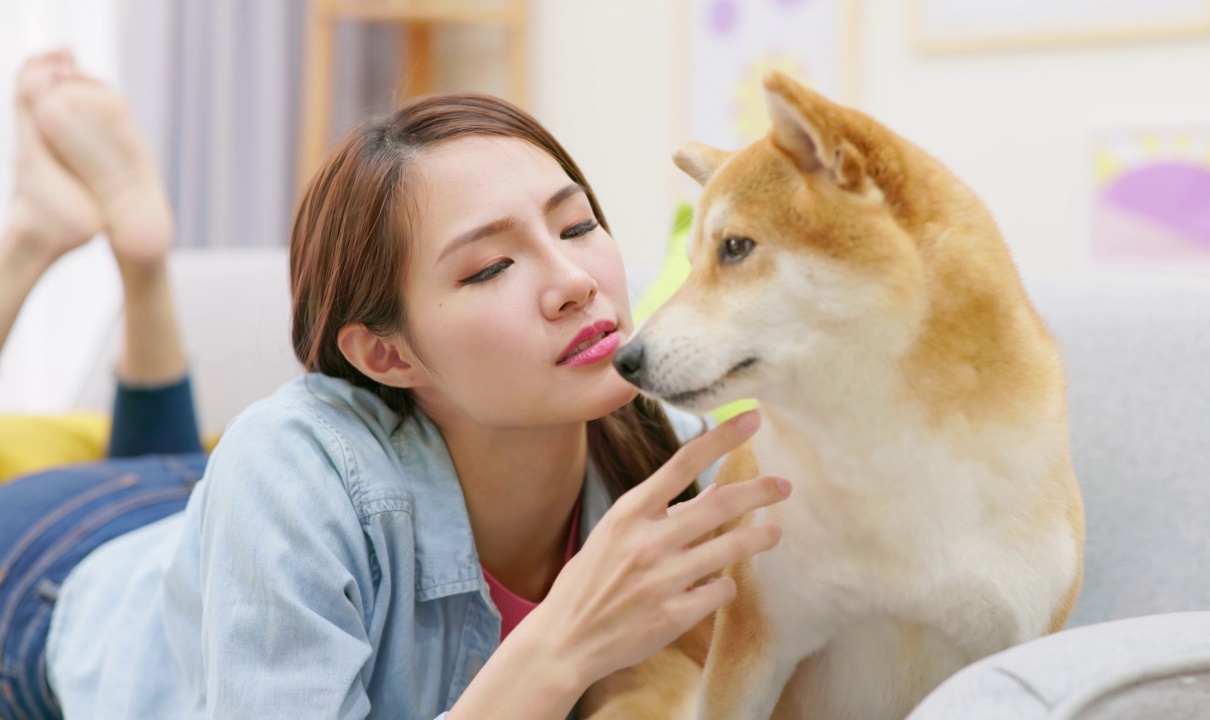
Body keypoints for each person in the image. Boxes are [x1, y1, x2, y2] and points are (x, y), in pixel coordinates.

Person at [0, 51, 792, 720]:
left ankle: (142, 264)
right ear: (386, 356)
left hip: (195, 511)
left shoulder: (672, 453)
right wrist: (563, 643)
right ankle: (34, 239)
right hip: (49, 576)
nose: (574, 282)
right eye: (490, 266)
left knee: (185, 476)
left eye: (577, 226)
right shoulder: (289, 468)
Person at [0, 50, 211, 717]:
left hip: (184, 501)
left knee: (169, 536)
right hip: (124, 540)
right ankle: (47, 242)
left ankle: (46, 241)